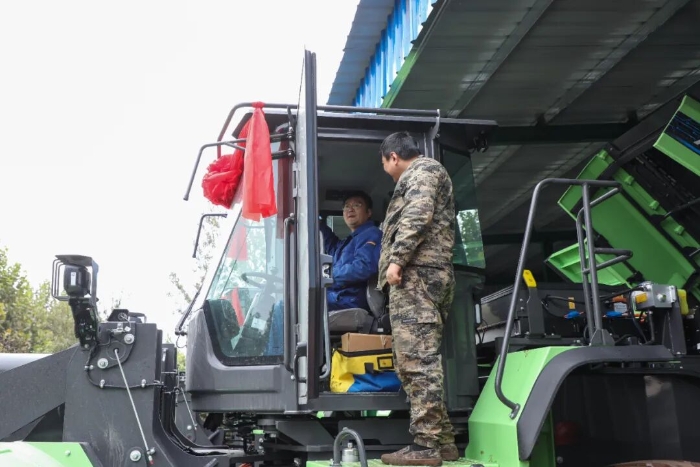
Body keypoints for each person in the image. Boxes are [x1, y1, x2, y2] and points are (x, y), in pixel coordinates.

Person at [377, 132, 458, 466]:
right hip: (422, 276)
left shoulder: (422, 172)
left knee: (418, 362)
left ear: (393, 157)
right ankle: (444, 442)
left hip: (417, 276)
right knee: (414, 359)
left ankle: (425, 446)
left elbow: (418, 215)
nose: (386, 170)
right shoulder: (425, 173)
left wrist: (397, 261)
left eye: (384, 163)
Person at [320, 191, 382, 311]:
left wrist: (330, 275)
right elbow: (329, 242)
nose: (350, 209)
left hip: (350, 299)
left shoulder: (372, 234)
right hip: (338, 297)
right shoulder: (347, 242)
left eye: (357, 205)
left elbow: (363, 267)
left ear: (368, 212)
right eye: (346, 206)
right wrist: (314, 220)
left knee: (294, 304)